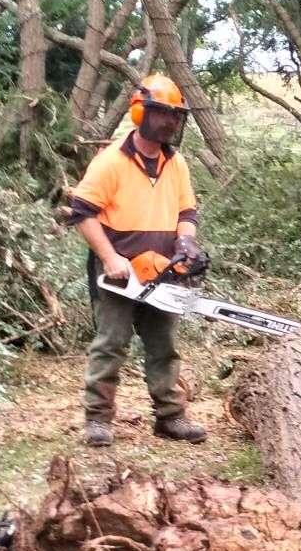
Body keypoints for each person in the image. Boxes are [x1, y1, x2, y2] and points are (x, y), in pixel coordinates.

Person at [70, 74, 207, 448]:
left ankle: (170, 416)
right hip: (119, 272)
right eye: (162, 113)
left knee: (164, 344)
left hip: (162, 270)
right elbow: (83, 212)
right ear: (140, 112)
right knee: (111, 344)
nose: (169, 122)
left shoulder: (176, 164)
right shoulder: (111, 161)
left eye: (174, 115)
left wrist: (186, 244)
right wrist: (109, 257)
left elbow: (187, 212)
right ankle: (98, 419)